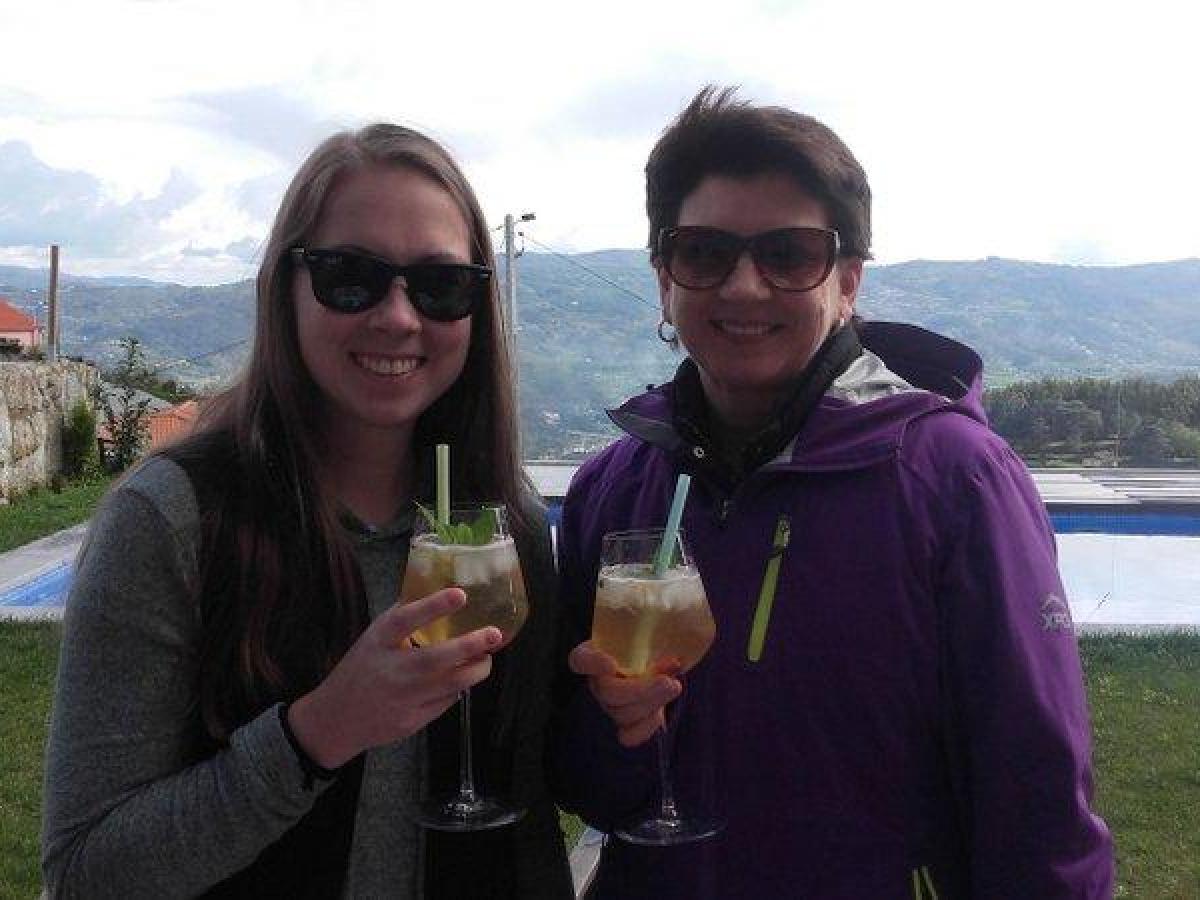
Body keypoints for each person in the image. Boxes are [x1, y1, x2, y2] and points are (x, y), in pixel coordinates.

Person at [552, 87, 1114, 898]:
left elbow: (1038, 794)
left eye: (789, 254)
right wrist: (614, 728)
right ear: (664, 279)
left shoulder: (955, 480)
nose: (744, 287)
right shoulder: (612, 490)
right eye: (704, 253)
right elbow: (585, 786)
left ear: (848, 282)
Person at [42, 124, 573, 899]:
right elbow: (88, 872)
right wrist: (319, 732)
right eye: (350, 276)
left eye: (440, 284)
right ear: (284, 288)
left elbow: (528, 822)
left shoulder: (501, 525)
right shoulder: (172, 521)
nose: (398, 317)